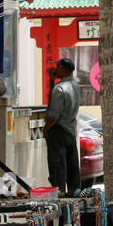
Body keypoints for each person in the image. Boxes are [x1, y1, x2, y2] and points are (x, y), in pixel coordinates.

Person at [42, 57, 81, 195]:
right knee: (72, 166)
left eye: (58, 67)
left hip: (58, 130)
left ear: (63, 69)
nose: (55, 69)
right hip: (71, 129)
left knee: (57, 166)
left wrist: (46, 129)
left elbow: (53, 115)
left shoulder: (59, 89)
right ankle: (74, 193)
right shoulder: (75, 86)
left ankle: (59, 194)